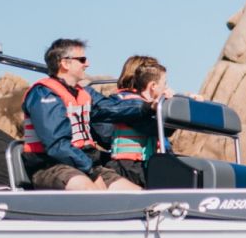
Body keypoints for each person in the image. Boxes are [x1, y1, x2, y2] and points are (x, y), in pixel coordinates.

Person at [20, 38, 153, 191]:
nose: (87, 64)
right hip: (51, 166)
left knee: (139, 197)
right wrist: (92, 172)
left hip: (85, 164)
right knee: (91, 191)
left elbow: (111, 107)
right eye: (82, 59)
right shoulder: (44, 93)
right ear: (65, 63)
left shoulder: (84, 93)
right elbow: (57, 145)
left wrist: (149, 106)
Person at [93, 55, 174, 188]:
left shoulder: (144, 104)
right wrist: (166, 108)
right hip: (129, 167)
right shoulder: (128, 104)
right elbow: (153, 127)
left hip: (144, 164)